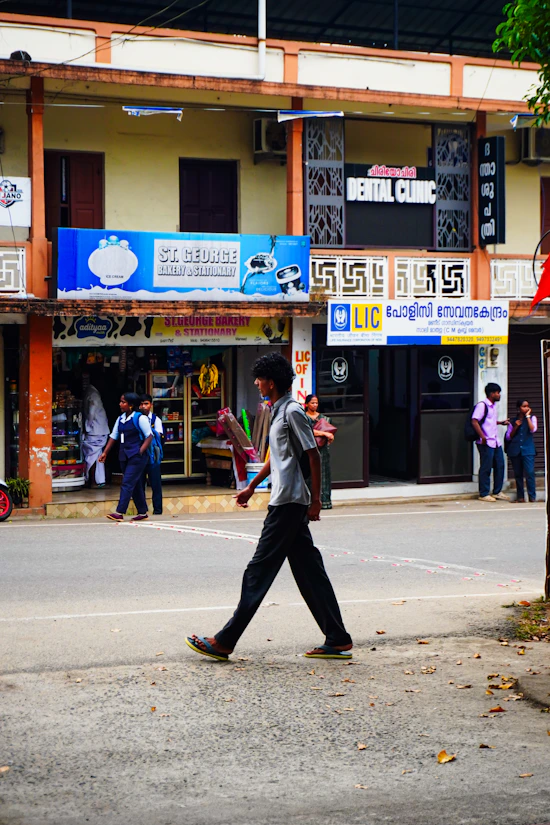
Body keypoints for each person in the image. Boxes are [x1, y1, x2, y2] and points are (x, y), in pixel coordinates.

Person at [185, 352, 353, 662]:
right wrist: (252, 485)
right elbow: (277, 457)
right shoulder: (278, 411)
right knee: (310, 572)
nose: (256, 383)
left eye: (259, 379)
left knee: (258, 571)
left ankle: (225, 640)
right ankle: (338, 638)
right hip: (285, 500)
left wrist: (316, 501)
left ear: (271, 383)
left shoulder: (292, 412)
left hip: (290, 503)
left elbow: (313, 454)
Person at [98, 392, 153, 522]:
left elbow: (149, 436)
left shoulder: (140, 418)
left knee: (127, 482)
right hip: (124, 455)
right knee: (135, 483)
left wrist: (140, 451)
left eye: (123, 402)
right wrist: (105, 452)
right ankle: (142, 512)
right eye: (121, 401)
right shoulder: (121, 419)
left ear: (131, 405)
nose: (120, 404)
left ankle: (120, 512)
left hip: (137, 456)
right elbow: (113, 436)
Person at [471, 382, 510, 503]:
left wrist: (500, 423)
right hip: (486, 442)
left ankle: (497, 491)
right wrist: (482, 436)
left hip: (495, 441)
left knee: (500, 465)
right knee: (486, 467)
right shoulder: (482, 405)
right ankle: (484, 493)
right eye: (497, 393)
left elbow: (489, 422)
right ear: (491, 394)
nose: (499, 395)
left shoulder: (493, 407)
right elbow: (474, 421)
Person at [304, 394, 334, 510]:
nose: (315, 405)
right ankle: (309, 501)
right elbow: (307, 432)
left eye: (316, 403)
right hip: (308, 450)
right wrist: (325, 434)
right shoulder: (303, 418)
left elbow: (330, 432)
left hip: (323, 450)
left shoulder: (324, 419)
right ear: (307, 404)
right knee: (309, 474)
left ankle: (325, 501)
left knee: (324, 474)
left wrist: (330, 437)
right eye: (312, 403)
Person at [505, 399, 538, 503]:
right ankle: (520, 497)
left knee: (530, 473)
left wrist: (528, 417)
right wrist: (516, 426)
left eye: (527, 406)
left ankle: (532, 497)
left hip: (528, 450)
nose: (526, 408)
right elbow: (509, 437)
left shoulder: (532, 418)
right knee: (518, 474)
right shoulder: (513, 421)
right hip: (515, 450)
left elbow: (533, 429)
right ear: (518, 408)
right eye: (524, 406)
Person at [81, 382, 110, 489]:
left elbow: (91, 411)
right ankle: (97, 480)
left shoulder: (92, 393)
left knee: (92, 455)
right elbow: (91, 411)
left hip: (95, 430)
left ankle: (93, 480)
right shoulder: (92, 393)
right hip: (98, 429)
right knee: (95, 455)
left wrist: (87, 426)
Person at [139, 394, 164, 515]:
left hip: (153, 457)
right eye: (142, 404)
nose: (144, 406)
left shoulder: (156, 420)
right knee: (139, 483)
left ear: (151, 405)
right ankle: (142, 510)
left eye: (146, 404)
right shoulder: (136, 418)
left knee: (156, 484)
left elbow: (158, 437)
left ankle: (158, 510)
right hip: (140, 456)